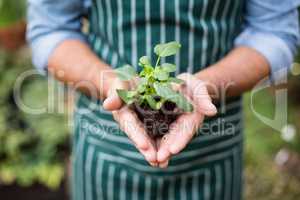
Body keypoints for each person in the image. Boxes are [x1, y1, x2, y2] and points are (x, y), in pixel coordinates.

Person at [27, 0, 300, 199]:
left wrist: (206, 85)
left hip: (213, 152)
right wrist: (111, 84)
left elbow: (274, 32)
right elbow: (52, 29)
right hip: (105, 148)